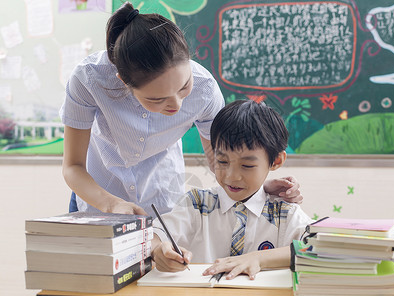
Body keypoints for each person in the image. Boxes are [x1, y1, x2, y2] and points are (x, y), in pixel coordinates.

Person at [60, 2, 303, 216]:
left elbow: (220, 160)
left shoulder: (205, 88)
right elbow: (73, 167)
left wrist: (254, 188)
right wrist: (111, 204)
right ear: (124, 82)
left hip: (162, 200)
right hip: (97, 197)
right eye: (157, 99)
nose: (176, 105)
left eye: (184, 86)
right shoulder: (89, 79)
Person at [151, 100, 312, 279]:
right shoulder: (197, 203)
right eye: (222, 162)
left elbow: (317, 247)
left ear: (276, 161)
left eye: (247, 165)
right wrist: (158, 250)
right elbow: (155, 236)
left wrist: (259, 258)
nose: (232, 176)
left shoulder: (284, 213)